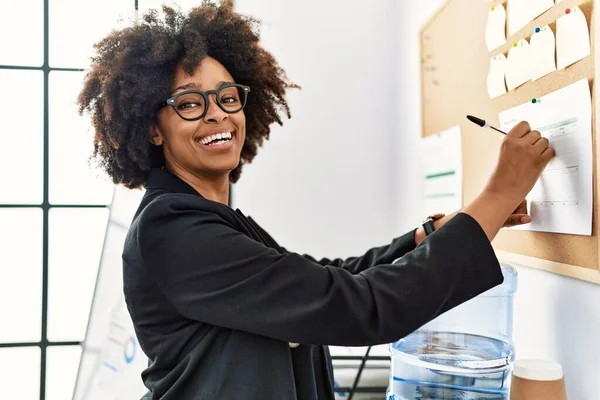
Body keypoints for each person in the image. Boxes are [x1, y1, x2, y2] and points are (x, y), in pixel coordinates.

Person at [77, 3, 554, 400]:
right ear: (153, 127)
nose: (217, 115)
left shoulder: (214, 222)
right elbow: (358, 305)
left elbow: (331, 276)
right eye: (189, 103)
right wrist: (497, 196)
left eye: (227, 97)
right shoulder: (173, 232)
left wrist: (427, 234)